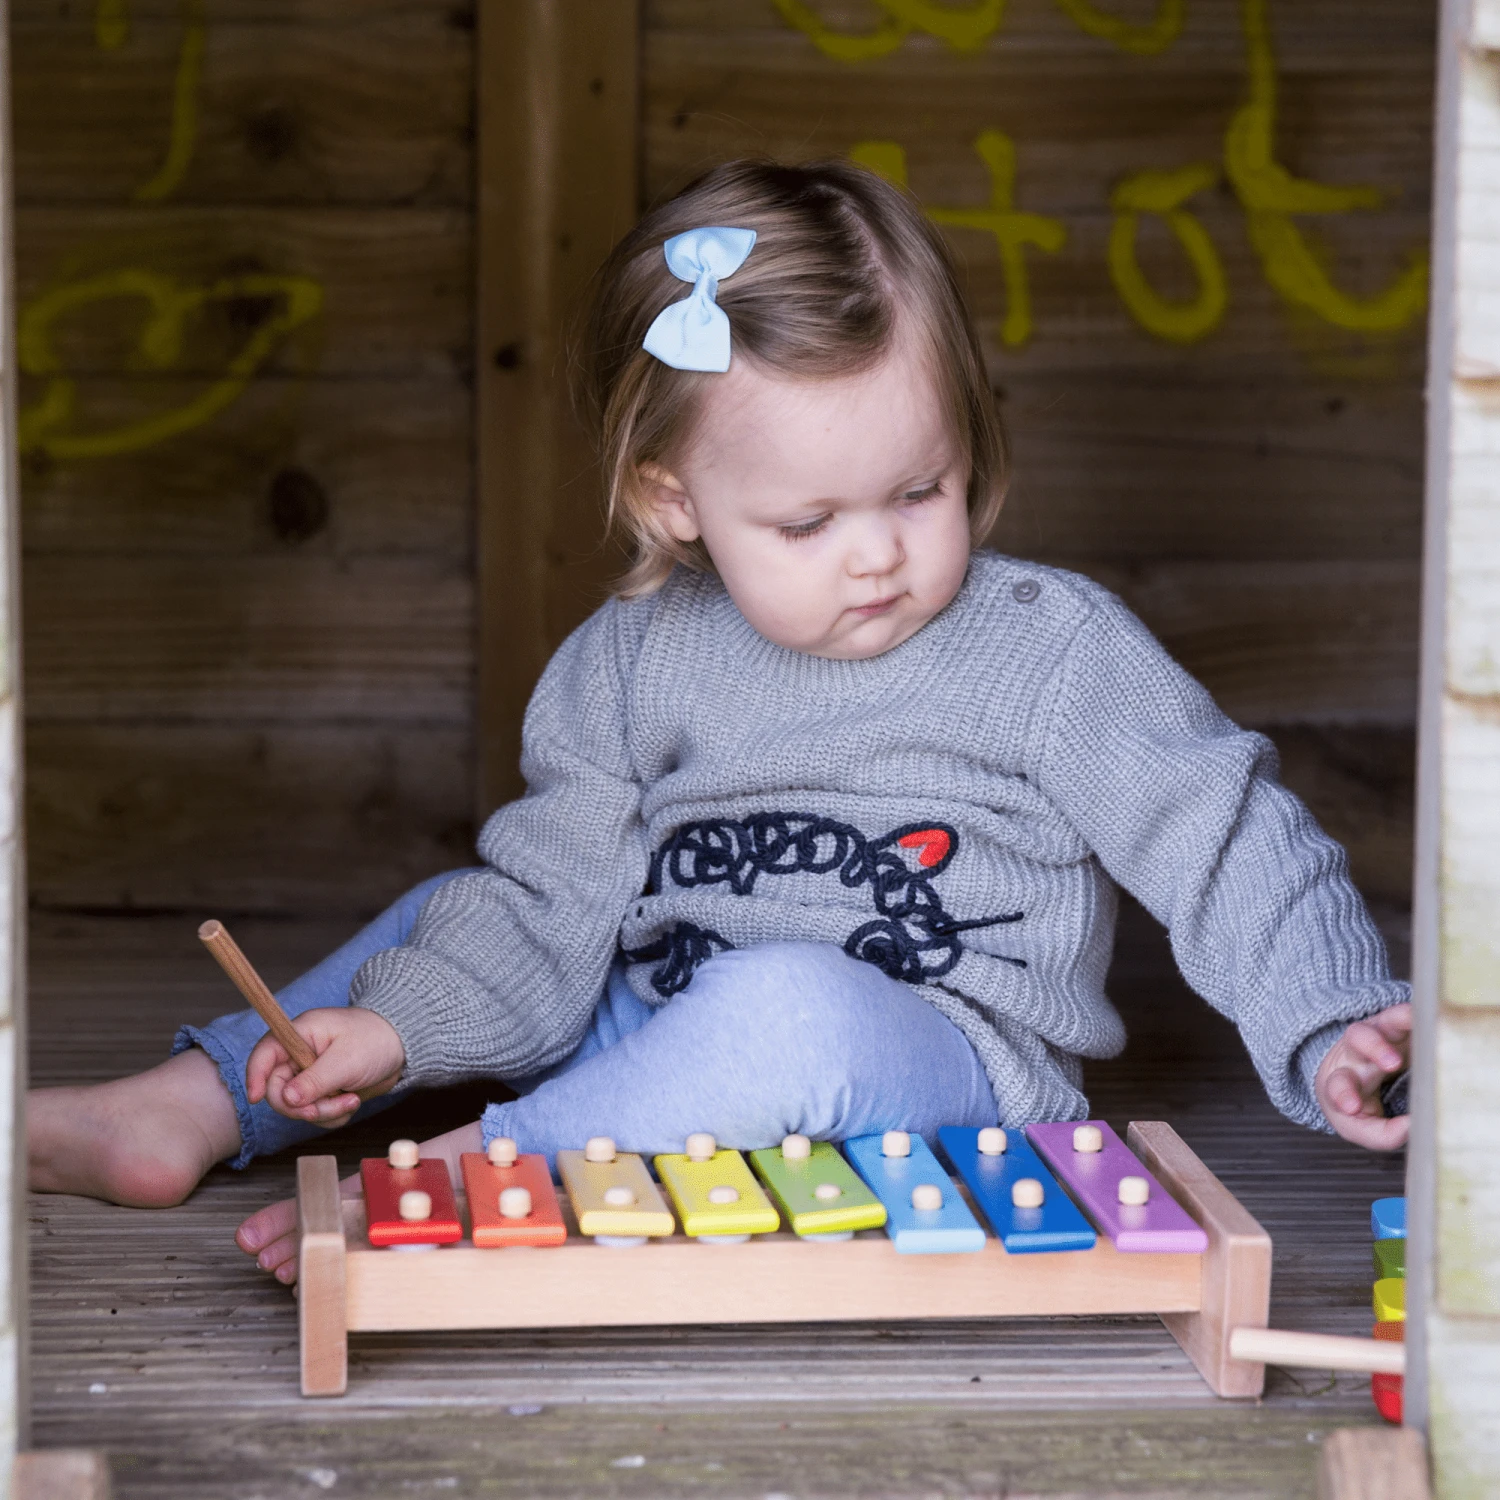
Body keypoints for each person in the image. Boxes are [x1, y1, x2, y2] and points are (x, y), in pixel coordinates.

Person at [29, 160, 1412, 1285]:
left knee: (784, 1007)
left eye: (921, 490)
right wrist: (395, 1036)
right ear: (674, 498)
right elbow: (547, 912)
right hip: (659, 1021)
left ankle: (487, 1163)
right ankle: (197, 1102)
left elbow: (1225, 834)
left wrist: (1331, 1018)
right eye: (808, 521)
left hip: (932, 1067)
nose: (878, 555)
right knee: (462, 910)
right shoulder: (627, 662)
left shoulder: (1052, 651)